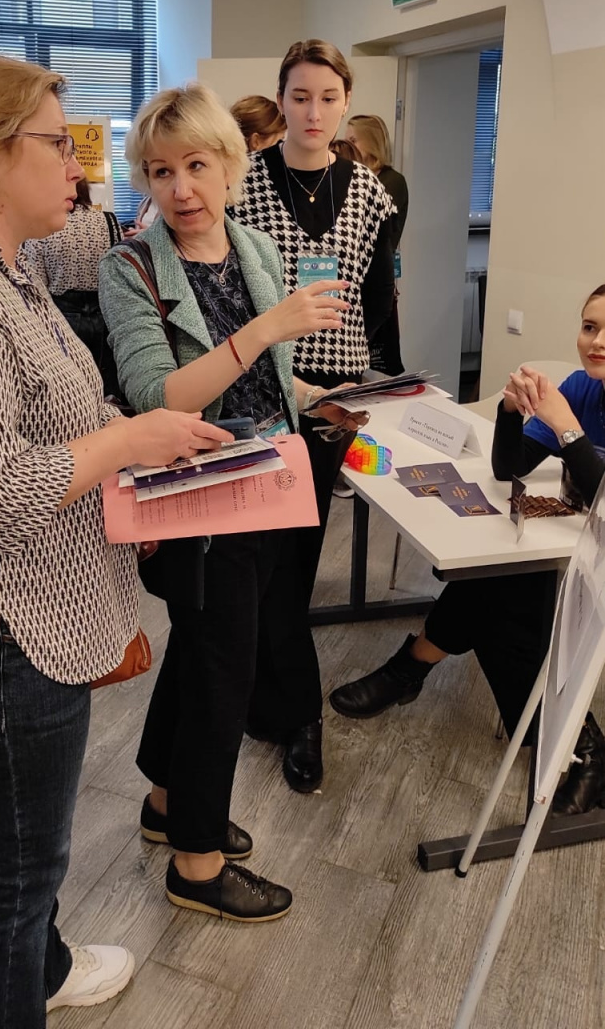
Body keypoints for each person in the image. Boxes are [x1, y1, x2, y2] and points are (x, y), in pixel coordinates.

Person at [0, 54, 229, 1028]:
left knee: (28, 861)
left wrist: (135, 465)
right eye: (58, 144)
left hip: (38, 618)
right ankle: (22, 982)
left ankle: (46, 970)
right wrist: (126, 443)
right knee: (14, 879)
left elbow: (61, 416)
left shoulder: (6, 272)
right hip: (4, 638)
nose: (78, 166)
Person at [99, 82, 364, 919]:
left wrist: (317, 396)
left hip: (266, 482)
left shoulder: (251, 246)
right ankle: (197, 862)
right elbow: (156, 397)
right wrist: (266, 330)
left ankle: (166, 802)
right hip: (198, 496)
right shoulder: (130, 267)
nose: (180, 189)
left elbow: (267, 376)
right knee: (225, 671)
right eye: (160, 171)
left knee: (203, 650)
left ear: (230, 166)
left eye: (196, 166)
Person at [331, 285, 605, 816]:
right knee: (502, 587)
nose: (596, 341)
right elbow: (509, 467)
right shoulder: (581, 388)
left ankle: (411, 668)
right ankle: (580, 744)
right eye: (589, 326)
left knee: (504, 598)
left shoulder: (575, 402)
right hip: (577, 549)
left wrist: (567, 428)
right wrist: (509, 410)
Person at [232, 40, 395, 792]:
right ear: (282, 100)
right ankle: (288, 706)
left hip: (335, 394)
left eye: (328, 97)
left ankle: (285, 706)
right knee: (262, 554)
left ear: (345, 101)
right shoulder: (243, 182)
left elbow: (377, 297)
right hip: (261, 385)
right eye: (299, 96)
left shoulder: (368, 191)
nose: (313, 111)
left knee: (300, 550)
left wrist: (371, 376)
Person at [22, 173, 123, 396]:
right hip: (106, 314)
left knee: (74, 387)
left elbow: (36, 283)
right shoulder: (109, 220)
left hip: (63, 316)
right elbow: (119, 268)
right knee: (108, 385)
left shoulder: (42, 227)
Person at [346, 114, 408, 376]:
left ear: (371, 142)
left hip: (374, 283)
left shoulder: (391, 182)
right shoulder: (352, 178)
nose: (347, 146)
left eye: (353, 140)